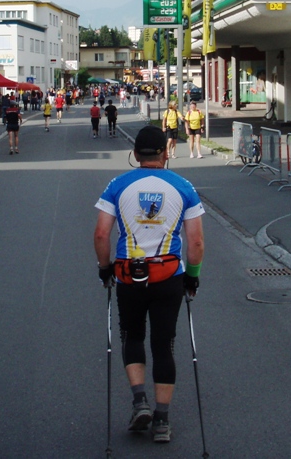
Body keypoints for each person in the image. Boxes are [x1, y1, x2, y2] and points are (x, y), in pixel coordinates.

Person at [93, 126, 205, 444]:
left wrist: (105, 270)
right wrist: (192, 276)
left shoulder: (117, 185)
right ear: (165, 153)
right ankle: (162, 421)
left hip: (129, 275)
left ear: (135, 155)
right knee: (164, 344)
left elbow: (101, 234)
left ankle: (139, 400)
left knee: (131, 336)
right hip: (168, 276)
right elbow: (196, 241)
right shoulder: (184, 186)